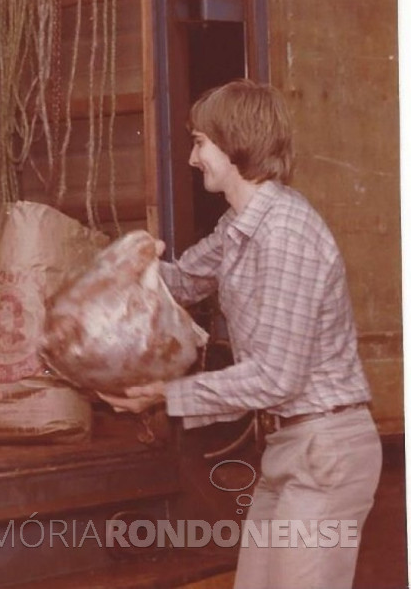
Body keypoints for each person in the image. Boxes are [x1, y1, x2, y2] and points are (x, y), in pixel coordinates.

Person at [97, 79, 381, 589]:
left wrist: (164, 395)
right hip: (289, 447)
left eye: (201, 142)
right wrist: (121, 264)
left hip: (324, 451)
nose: (192, 158)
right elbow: (182, 280)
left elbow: (275, 377)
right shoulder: (241, 226)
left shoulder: (284, 233)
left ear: (235, 143)